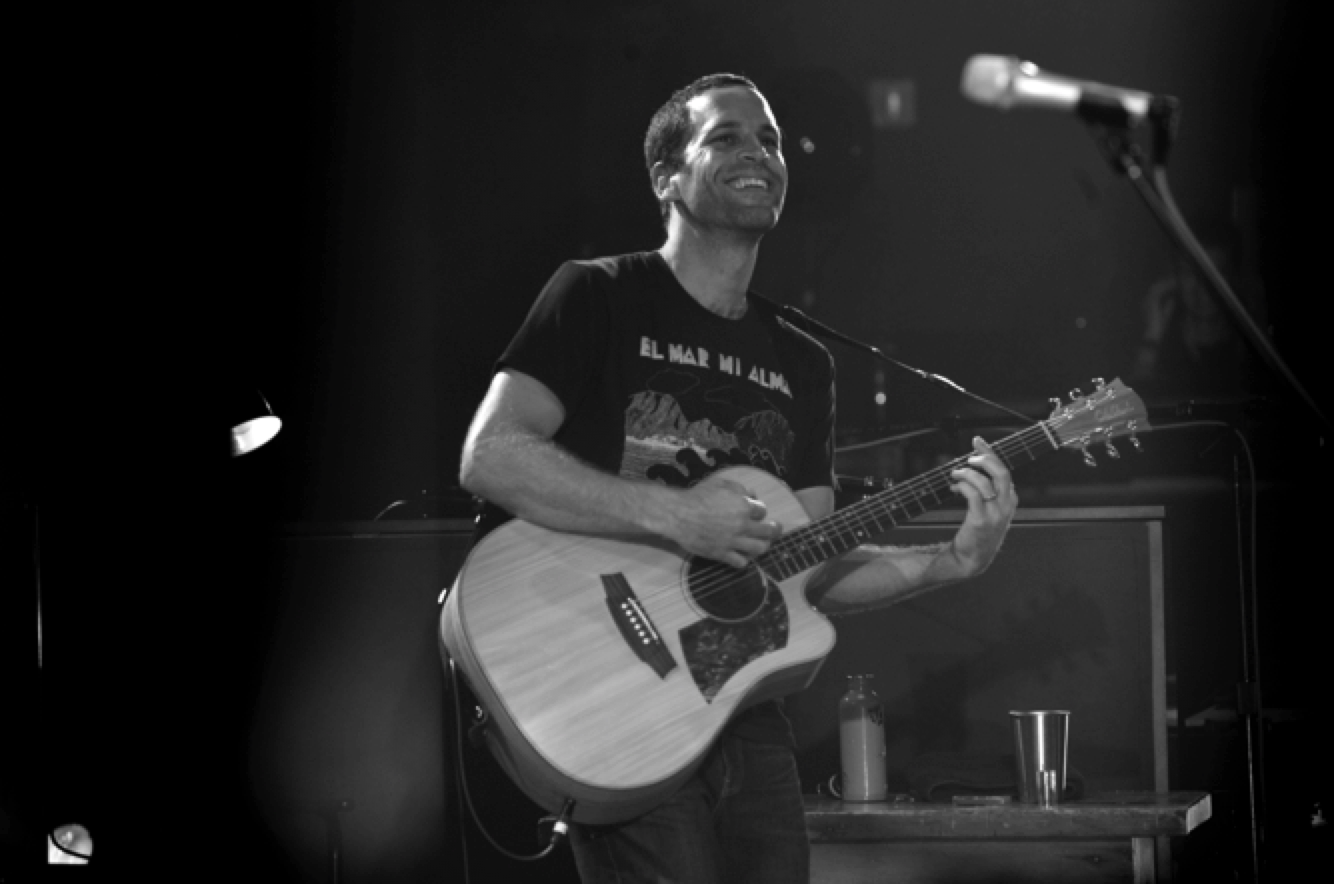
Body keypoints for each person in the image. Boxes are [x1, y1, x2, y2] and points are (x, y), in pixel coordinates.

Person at [457, 72, 1018, 884]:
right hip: (613, 693)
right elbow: (492, 455)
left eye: (770, 141)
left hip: (748, 717)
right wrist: (678, 517)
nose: (758, 153)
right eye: (726, 137)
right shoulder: (598, 293)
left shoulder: (805, 363)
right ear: (666, 178)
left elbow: (808, 566)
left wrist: (952, 561)